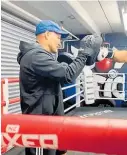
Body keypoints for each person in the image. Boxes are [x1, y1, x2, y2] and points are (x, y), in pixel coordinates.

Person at [17, 20, 103, 155]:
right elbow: (68, 75)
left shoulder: (44, 56)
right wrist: (84, 53)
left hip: (49, 121)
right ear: (46, 35)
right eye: (57, 37)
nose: (59, 42)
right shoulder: (36, 56)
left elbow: (62, 74)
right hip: (39, 126)